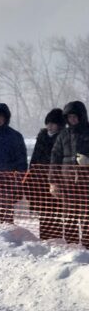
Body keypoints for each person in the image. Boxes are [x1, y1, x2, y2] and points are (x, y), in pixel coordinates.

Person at [50, 101, 89, 247]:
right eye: (69, 117)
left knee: (87, 215)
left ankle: (87, 247)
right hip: (67, 182)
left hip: (86, 182)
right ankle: (72, 247)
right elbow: (55, 158)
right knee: (70, 215)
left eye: (75, 116)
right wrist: (53, 182)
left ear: (81, 116)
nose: (72, 119)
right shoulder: (63, 135)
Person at [27, 108, 64, 240]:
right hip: (40, 179)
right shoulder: (41, 137)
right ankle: (44, 236)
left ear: (59, 125)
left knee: (56, 209)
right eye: (48, 123)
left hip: (56, 179)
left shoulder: (62, 138)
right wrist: (31, 174)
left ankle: (56, 237)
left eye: (53, 123)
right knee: (43, 209)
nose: (50, 126)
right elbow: (34, 158)